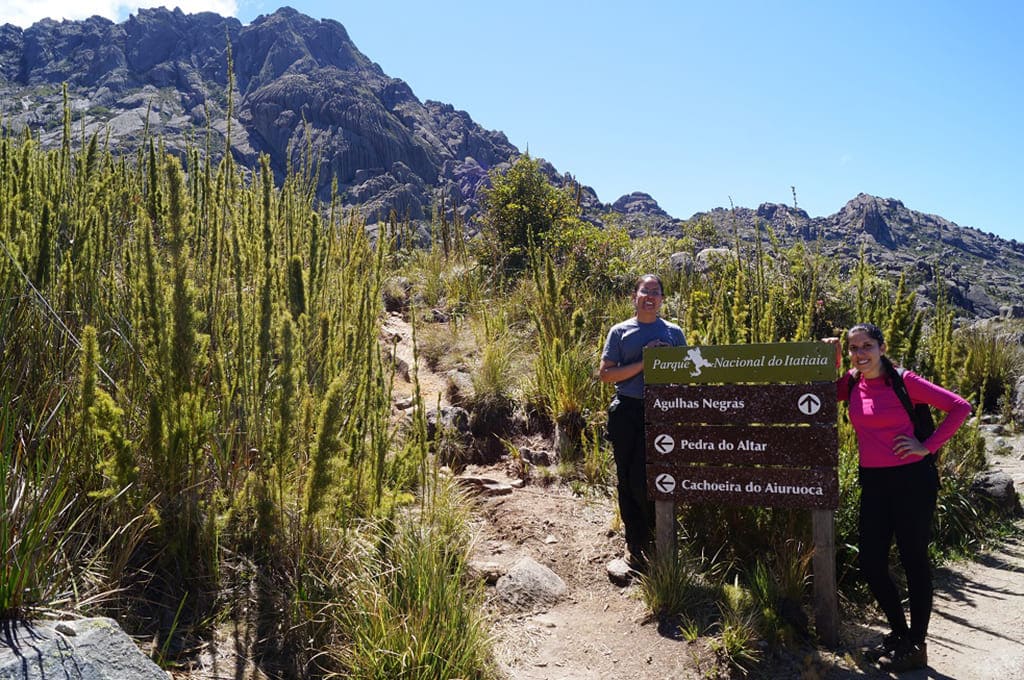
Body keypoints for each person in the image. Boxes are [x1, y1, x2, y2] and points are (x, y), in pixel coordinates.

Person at [835, 323, 971, 672]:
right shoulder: (852, 383)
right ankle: (899, 633)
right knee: (870, 561)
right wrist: (830, 357)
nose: (860, 353)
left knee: (913, 560)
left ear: (881, 347)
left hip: (913, 481)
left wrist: (926, 447)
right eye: (853, 348)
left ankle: (917, 644)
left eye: (867, 345)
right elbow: (818, 393)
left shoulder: (904, 380)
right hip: (875, 483)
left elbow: (960, 407)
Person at [599, 274, 686, 571]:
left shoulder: (674, 333)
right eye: (644, 291)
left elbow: (685, 373)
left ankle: (657, 536)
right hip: (627, 409)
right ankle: (635, 541)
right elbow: (606, 374)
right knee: (627, 476)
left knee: (649, 477)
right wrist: (645, 361)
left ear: (662, 298)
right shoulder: (620, 331)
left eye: (656, 292)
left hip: (662, 411)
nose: (650, 296)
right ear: (634, 297)